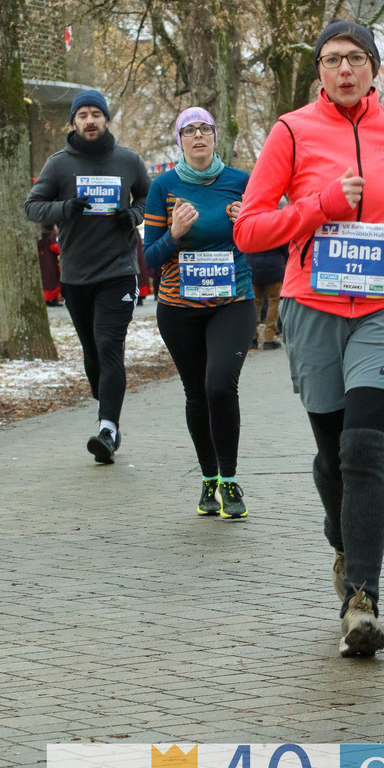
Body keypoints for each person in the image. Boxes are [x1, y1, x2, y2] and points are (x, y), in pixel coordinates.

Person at [234, 19, 384, 657]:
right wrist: (319, 204)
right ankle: (344, 540)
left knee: (363, 446)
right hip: (314, 308)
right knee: (332, 456)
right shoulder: (291, 131)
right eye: (331, 60)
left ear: (375, 69)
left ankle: (362, 600)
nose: (344, 70)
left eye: (355, 59)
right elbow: (249, 230)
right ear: (319, 70)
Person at [25, 90, 151, 462]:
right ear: (74, 123)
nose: (90, 120)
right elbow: (32, 207)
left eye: (97, 113)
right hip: (76, 276)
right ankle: (107, 395)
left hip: (118, 272)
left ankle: (107, 430)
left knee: (109, 346)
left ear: (107, 119)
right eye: (83, 115)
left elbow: (147, 196)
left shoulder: (128, 161)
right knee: (93, 354)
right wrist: (64, 208)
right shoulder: (59, 165)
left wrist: (135, 215)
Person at [143, 107, 254, 519]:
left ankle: (229, 480)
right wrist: (174, 235)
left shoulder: (241, 182)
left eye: (205, 128)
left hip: (233, 300)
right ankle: (208, 481)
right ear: (180, 141)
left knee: (221, 385)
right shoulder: (164, 187)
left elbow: (265, 242)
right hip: (179, 307)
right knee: (197, 392)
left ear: (215, 136)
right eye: (189, 131)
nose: (198, 136)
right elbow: (150, 256)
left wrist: (246, 227)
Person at [246, 244, 289, 349]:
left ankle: (252, 338)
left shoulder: (252, 227)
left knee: (255, 301)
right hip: (275, 267)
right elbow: (286, 249)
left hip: (254, 266)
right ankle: (268, 339)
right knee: (274, 301)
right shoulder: (276, 227)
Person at [37, 224, 62, 305]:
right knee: (52, 280)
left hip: (43, 261)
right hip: (51, 261)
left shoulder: (43, 236)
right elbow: (55, 248)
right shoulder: (52, 237)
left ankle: (48, 298)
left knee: (46, 281)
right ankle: (52, 299)